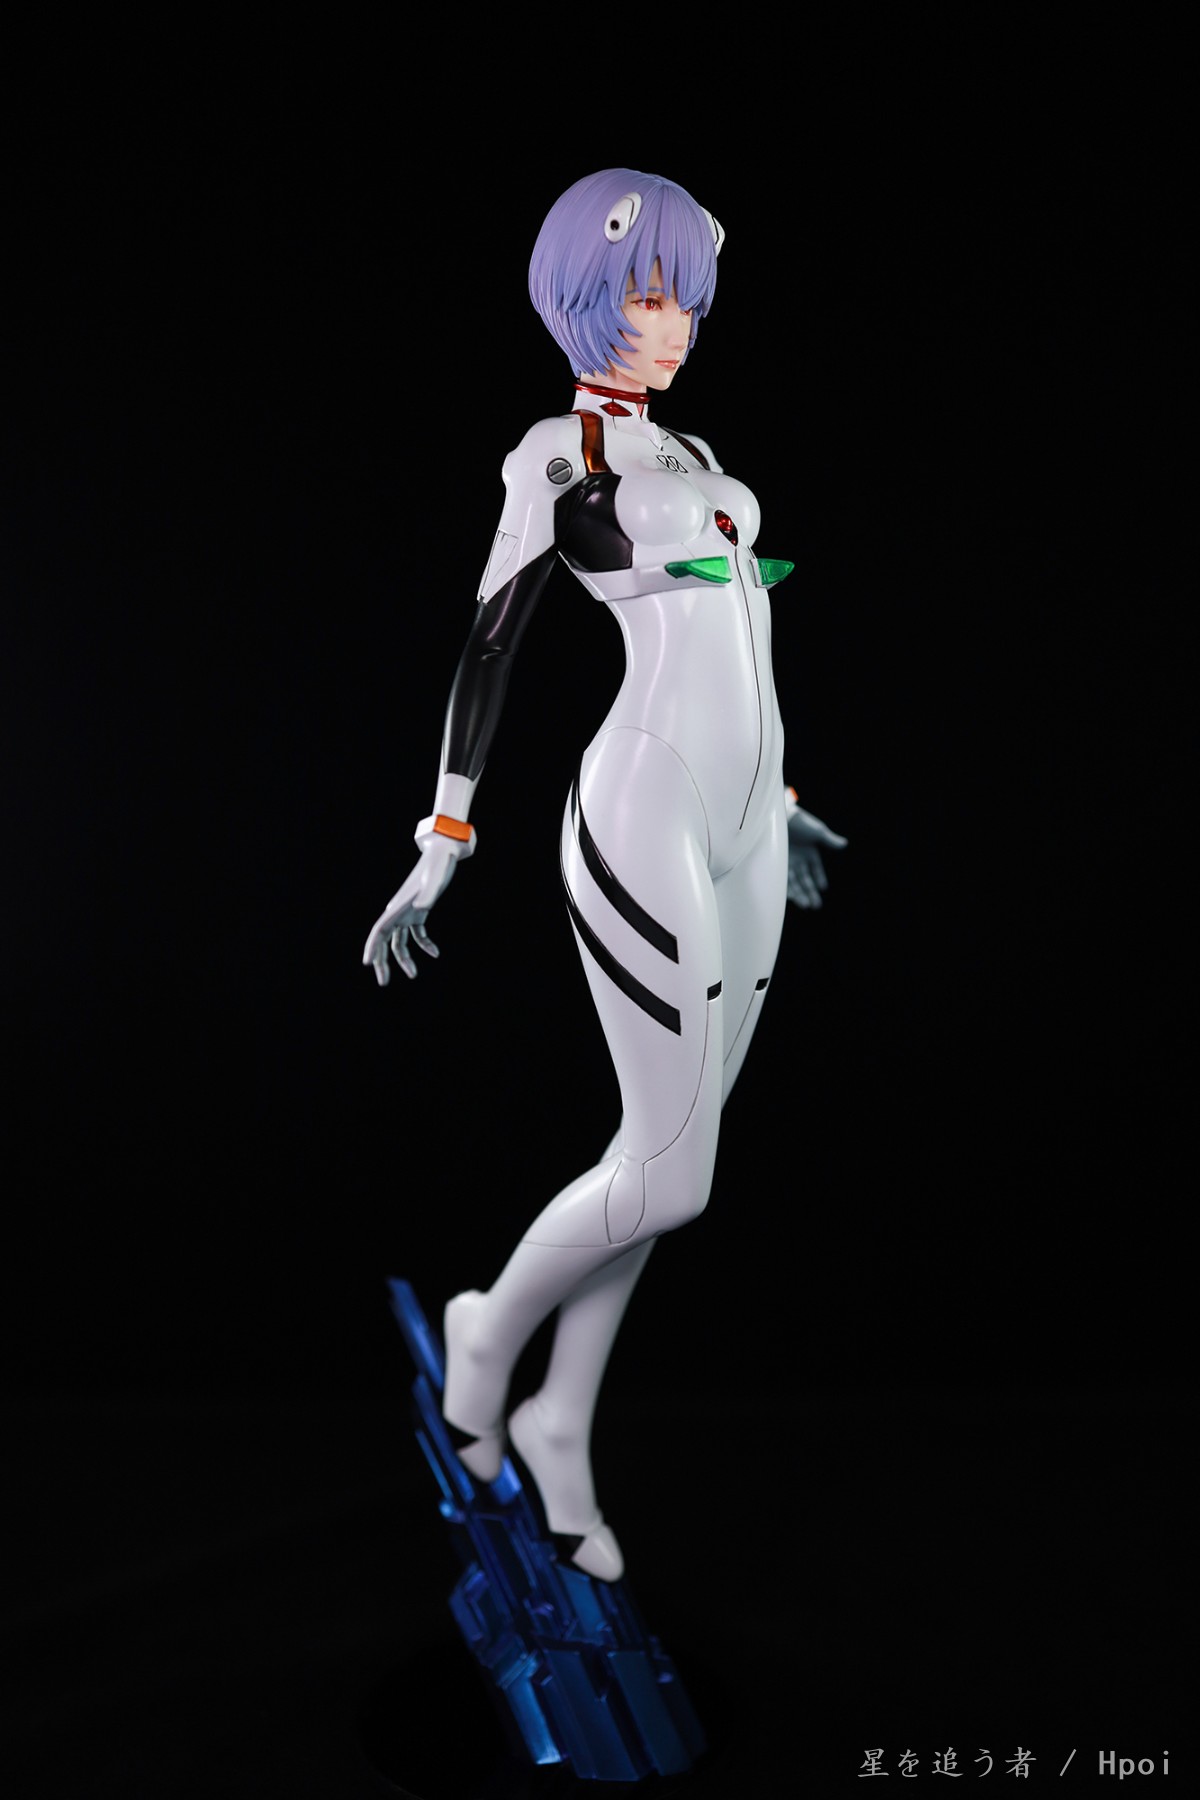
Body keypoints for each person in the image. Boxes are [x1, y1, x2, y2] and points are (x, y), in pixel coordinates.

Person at [364, 168, 845, 1581]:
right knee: (672, 1173)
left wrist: (785, 805)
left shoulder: (691, 448)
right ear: (584, 296)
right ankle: (488, 1336)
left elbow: (744, 646)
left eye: (688, 299)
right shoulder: (555, 454)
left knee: (663, 1150)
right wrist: (442, 838)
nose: (676, 324)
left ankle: (562, 1420)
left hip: (748, 822)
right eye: (649, 296)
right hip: (642, 806)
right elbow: (490, 644)